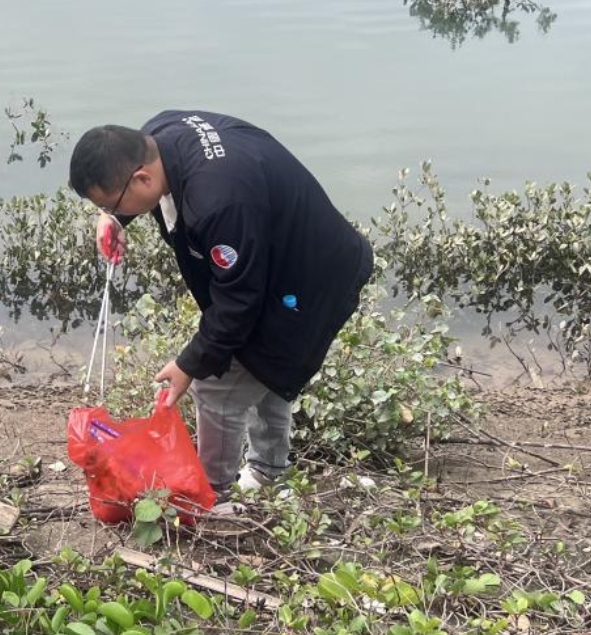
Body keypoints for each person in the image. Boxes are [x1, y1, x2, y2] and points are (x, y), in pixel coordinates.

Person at [67, 111, 372, 502]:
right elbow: (238, 291)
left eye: (112, 204)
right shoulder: (157, 136)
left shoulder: (218, 201)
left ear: (142, 179)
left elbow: (239, 302)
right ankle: (269, 471)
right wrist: (112, 219)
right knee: (258, 363)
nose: (112, 211)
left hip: (314, 274)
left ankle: (213, 495)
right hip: (277, 253)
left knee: (217, 380)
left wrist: (189, 364)